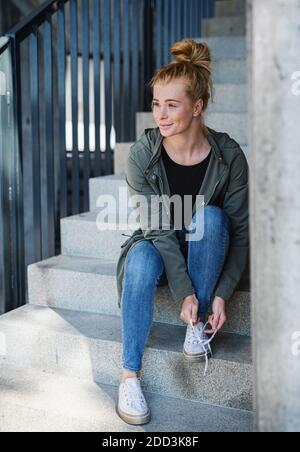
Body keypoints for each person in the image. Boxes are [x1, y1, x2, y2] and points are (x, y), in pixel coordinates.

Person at [115, 39, 249, 426]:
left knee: (211, 217)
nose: (160, 114)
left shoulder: (229, 156)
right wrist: (182, 291)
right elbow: (157, 228)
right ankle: (129, 376)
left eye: (171, 105)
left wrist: (221, 293)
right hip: (160, 242)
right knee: (139, 260)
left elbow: (239, 233)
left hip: (207, 244)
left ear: (197, 106)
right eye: (156, 103)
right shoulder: (143, 154)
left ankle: (198, 322)